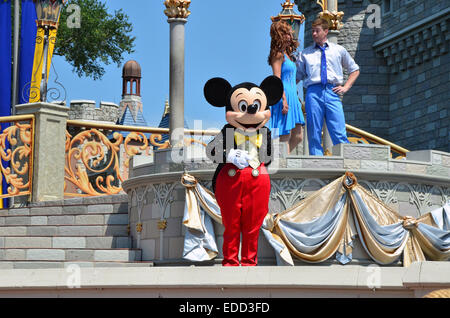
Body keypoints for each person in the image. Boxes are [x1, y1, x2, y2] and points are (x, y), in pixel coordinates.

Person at [296, 18, 360, 156]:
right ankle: (316, 161)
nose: (313, 34)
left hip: (332, 91)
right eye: (312, 31)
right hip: (313, 92)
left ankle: (346, 161)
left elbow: (354, 70)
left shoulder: (338, 50)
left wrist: (346, 87)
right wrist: (284, 91)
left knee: (338, 129)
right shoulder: (305, 54)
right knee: (314, 131)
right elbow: (297, 77)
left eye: (317, 31)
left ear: (325, 31)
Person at [268, 20, 305, 154]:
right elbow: (276, 78)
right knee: (285, 135)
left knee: (298, 135)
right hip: (283, 94)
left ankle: (283, 158)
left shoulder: (288, 55)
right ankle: (283, 165)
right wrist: (283, 99)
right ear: (279, 35)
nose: (289, 37)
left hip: (293, 95)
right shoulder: (277, 54)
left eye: (290, 34)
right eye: (286, 34)